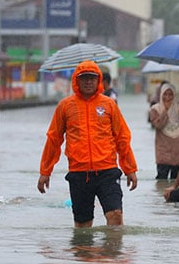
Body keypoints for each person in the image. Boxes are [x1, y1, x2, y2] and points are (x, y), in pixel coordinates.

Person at [37, 60, 138, 227]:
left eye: (92, 78)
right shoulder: (65, 106)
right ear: (76, 80)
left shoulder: (109, 105)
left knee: (115, 216)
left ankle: (113, 253)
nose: (88, 82)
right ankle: (85, 253)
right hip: (79, 174)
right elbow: (54, 140)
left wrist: (130, 169)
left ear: (98, 80)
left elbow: (122, 137)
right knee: (83, 227)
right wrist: (45, 171)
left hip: (107, 171)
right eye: (84, 78)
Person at [149, 82, 179, 180]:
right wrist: (165, 111)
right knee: (162, 180)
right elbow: (158, 125)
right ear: (161, 94)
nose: (168, 97)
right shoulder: (155, 109)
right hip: (163, 151)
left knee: (177, 180)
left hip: (178, 150)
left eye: (170, 94)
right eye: (165, 94)